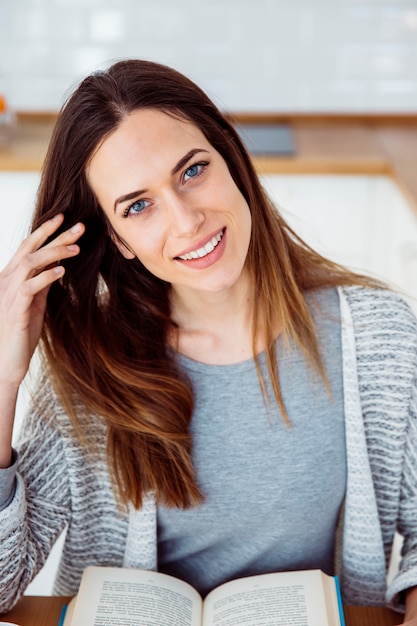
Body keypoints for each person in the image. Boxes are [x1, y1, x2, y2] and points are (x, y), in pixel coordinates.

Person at [0, 59, 416, 622]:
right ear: (118, 239)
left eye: (192, 171)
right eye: (138, 206)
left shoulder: (376, 337)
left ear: (231, 159)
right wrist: (3, 380)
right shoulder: (87, 372)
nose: (187, 220)